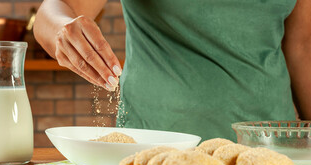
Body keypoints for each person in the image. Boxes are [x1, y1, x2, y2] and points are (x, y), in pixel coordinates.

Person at [34, 0, 311, 141]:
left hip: (273, 151)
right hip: (157, 151)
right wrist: (61, 28)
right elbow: (56, 9)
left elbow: (302, 47)